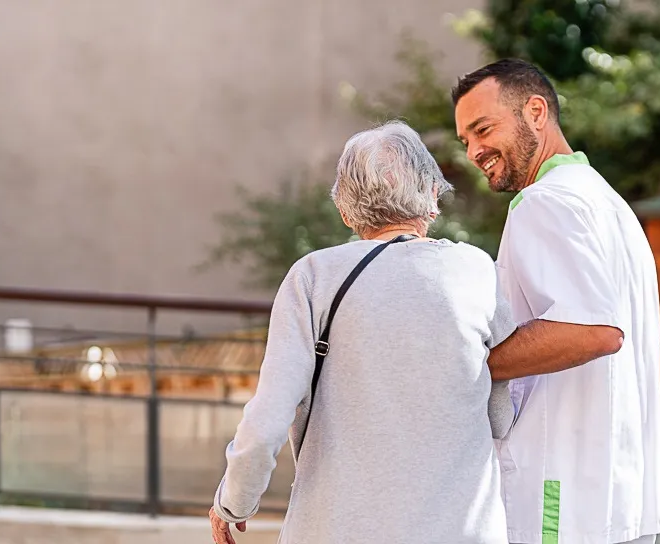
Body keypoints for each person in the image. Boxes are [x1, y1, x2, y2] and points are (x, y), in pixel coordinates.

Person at [208, 120, 518, 544]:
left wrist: (234, 501)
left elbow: (268, 418)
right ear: (432, 196)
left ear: (345, 210)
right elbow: (501, 414)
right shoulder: (476, 270)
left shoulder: (314, 277)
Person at [452, 58, 660, 544]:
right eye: (465, 139)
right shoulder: (609, 203)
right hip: (620, 502)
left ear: (535, 111)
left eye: (483, 129)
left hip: (562, 500)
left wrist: (468, 364)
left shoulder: (543, 203)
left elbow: (593, 331)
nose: (475, 150)